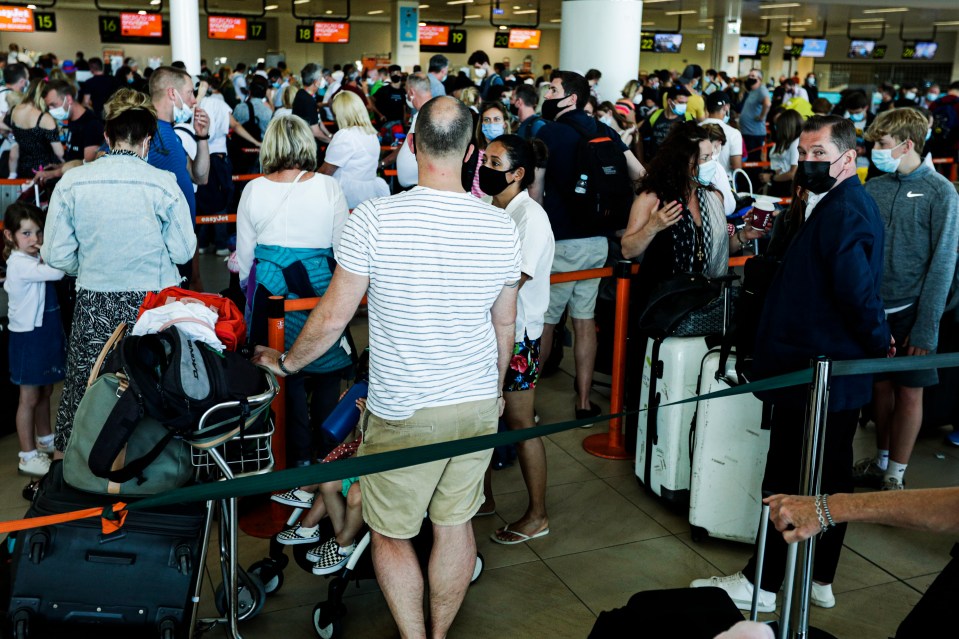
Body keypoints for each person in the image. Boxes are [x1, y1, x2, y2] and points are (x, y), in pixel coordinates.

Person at [253, 96, 521, 639]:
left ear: (414, 145)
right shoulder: (499, 227)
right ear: (472, 153)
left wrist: (286, 362)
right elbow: (504, 327)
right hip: (473, 405)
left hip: (404, 411)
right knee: (454, 525)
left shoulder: (375, 218)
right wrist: (493, 394)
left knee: (391, 535)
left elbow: (332, 317)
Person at [691, 115, 893, 613]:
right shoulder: (829, 203)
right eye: (803, 154)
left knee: (788, 477)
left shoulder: (846, 211)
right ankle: (819, 575)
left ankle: (763, 583)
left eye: (819, 155)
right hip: (821, 369)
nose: (807, 162)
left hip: (819, 371)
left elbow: (856, 293)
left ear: (848, 158)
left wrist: (877, 343)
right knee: (829, 474)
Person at [41, 89, 196, 455]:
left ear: (107, 137)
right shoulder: (162, 183)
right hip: (152, 304)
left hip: (95, 300)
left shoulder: (73, 182)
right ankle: (150, 468)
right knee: (152, 386)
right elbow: (183, 251)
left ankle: (82, 474)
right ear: (146, 140)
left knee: (89, 388)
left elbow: (57, 253)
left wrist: (92, 264)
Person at [236, 115, 352, 467]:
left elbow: (244, 262)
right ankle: (326, 455)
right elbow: (343, 250)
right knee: (328, 369)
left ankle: (292, 456)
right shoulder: (328, 188)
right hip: (319, 292)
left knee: (284, 377)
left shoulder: (253, 189)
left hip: (271, 296)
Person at [854, 109, 959, 490]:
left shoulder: (941, 192)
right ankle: (880, 461)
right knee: (879, 389)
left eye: (881, 144)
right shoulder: (874, 188)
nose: (875, 151)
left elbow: (943, 262)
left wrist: (926, 327)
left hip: (915, 311)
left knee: (909, 392)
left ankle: (895, 475)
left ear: (907, 144)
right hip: (875, 311)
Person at [534, 70, 643, 420]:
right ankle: (583, 403)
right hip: (598, 242)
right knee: (584, 320)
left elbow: (535, 194)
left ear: (570, 99)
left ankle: (526, 403)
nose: (546, 94)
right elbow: (639, 174)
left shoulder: (548, 133)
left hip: (561, 242)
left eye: (552, 89)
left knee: (546, 323)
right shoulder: (605, 129)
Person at [476, 134, 555, 545]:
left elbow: (513, 282)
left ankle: (538, 514)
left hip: (519, 336)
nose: (484, 168)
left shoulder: (531, 217)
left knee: (521, 423)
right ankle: (482, 498)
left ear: (518, 173)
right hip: (487, 331)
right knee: (485, 420)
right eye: (484, 160)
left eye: (493, 162)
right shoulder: (493, 207)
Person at [622, 121, 761, 289]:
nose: (712, 164)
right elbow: (628, 250)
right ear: (682, 162)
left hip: (708, 303)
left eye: (711, 156)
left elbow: (718, 250)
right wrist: (652, 227)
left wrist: (743, 236)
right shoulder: (653, 198)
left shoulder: (714, 197)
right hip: (665, 304)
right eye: (704, 158)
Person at [3, 201, 65, 477]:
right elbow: (58, 271)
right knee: (28, 397)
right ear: (9, 236)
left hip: (44, 334)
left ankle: (46, 439)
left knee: (45, 391)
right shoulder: (18, 264)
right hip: (28, 338)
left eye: (39, 232)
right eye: (26, 233)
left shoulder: (32, 258)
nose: (35, 239)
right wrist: (54, 251)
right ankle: (27, 455)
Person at [274, 396, 367, 575]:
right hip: (361, 458)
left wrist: (365, 426)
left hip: (376, 465)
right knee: (328, 482)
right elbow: (349, 444)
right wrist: (350, 415)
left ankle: (338, 540)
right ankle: (339, 539)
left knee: (342, 478)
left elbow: (365, 454)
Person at [147, 67, 210, 289]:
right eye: (190, 93)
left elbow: (200, 177)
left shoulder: (171, 133)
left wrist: (202, 136)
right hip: (157, 249)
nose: (194, 101)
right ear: (172, 94)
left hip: (179, 242)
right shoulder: (143, 131)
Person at [320, 91, 390, 209]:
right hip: (367, 195)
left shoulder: (346, 135)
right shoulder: (371, 133)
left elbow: (326, 172)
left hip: (347, 195)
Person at [33, 80, 103, 183]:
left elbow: (88, 164)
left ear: (68, 99)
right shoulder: (72, 119)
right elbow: (75, 157)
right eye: (49, 107)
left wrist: (54, 173)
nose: (51, 110)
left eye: (54, 105)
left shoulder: (91, 124)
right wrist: (59, 167)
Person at [5, 79, 63, 179]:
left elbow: (4, 125)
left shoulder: (14, 110)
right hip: (45, 171)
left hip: (22, 168)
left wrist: (12, 137)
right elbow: (59, 153)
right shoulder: (45, 118)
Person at [638, 85, 692, 164]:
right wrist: (641, 162)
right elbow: (641, 137)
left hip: (678, 166)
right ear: (669, 101)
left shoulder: (688, 119)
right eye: (681, 102)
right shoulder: (655, 116)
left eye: (686, 103)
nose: (684, 106)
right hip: (654, 164)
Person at [395, 72, 432, 187]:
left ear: (411, 93)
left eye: (406, 92)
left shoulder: (428, 115)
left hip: (420, 186)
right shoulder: (423, 113)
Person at [468, 101, 510, 198]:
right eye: (487, 120)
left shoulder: (512, 152)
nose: (491, 124)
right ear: (481, 124)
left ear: (505, 124)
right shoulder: (473, 151)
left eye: (496, 119)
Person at [761, 108, 803, 198]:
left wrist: (771, 177)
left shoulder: (796, 143)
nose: (776, 128)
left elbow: (792, 174)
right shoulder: (788, 141)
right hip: (779, 183)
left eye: (778, 125)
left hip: (785, 187)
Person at [702, 91, 743, 179]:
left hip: (698, 181)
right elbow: (737, 166)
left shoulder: (695, 129)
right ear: (726, 108)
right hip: (724, 182)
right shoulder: (734, 133)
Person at [293, 63, 334, 146]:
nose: (323, 80)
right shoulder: (308, 100)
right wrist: (332, 142)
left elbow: (317, 120)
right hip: (306, 145)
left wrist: (330, 135)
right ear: (316, 82)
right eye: (321, 77)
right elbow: (316, 132)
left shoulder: (303, 93)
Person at [740, 69, 771, 161]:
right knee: (748, 159)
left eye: (753, 76)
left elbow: (767, 104)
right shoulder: (753, 90)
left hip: (754, 133)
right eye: (749, 75)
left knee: (753, 160)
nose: (750, 77)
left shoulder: (761, 89)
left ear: (760, 78)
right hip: (748, 133)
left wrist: (761, 117)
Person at [233, 76, 273, 140]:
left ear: (250, 90)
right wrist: (270, 98)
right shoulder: (268, 111)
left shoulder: (239, 108)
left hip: (240, 146)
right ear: (265, 92)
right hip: (260, 147)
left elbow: (233, 126)